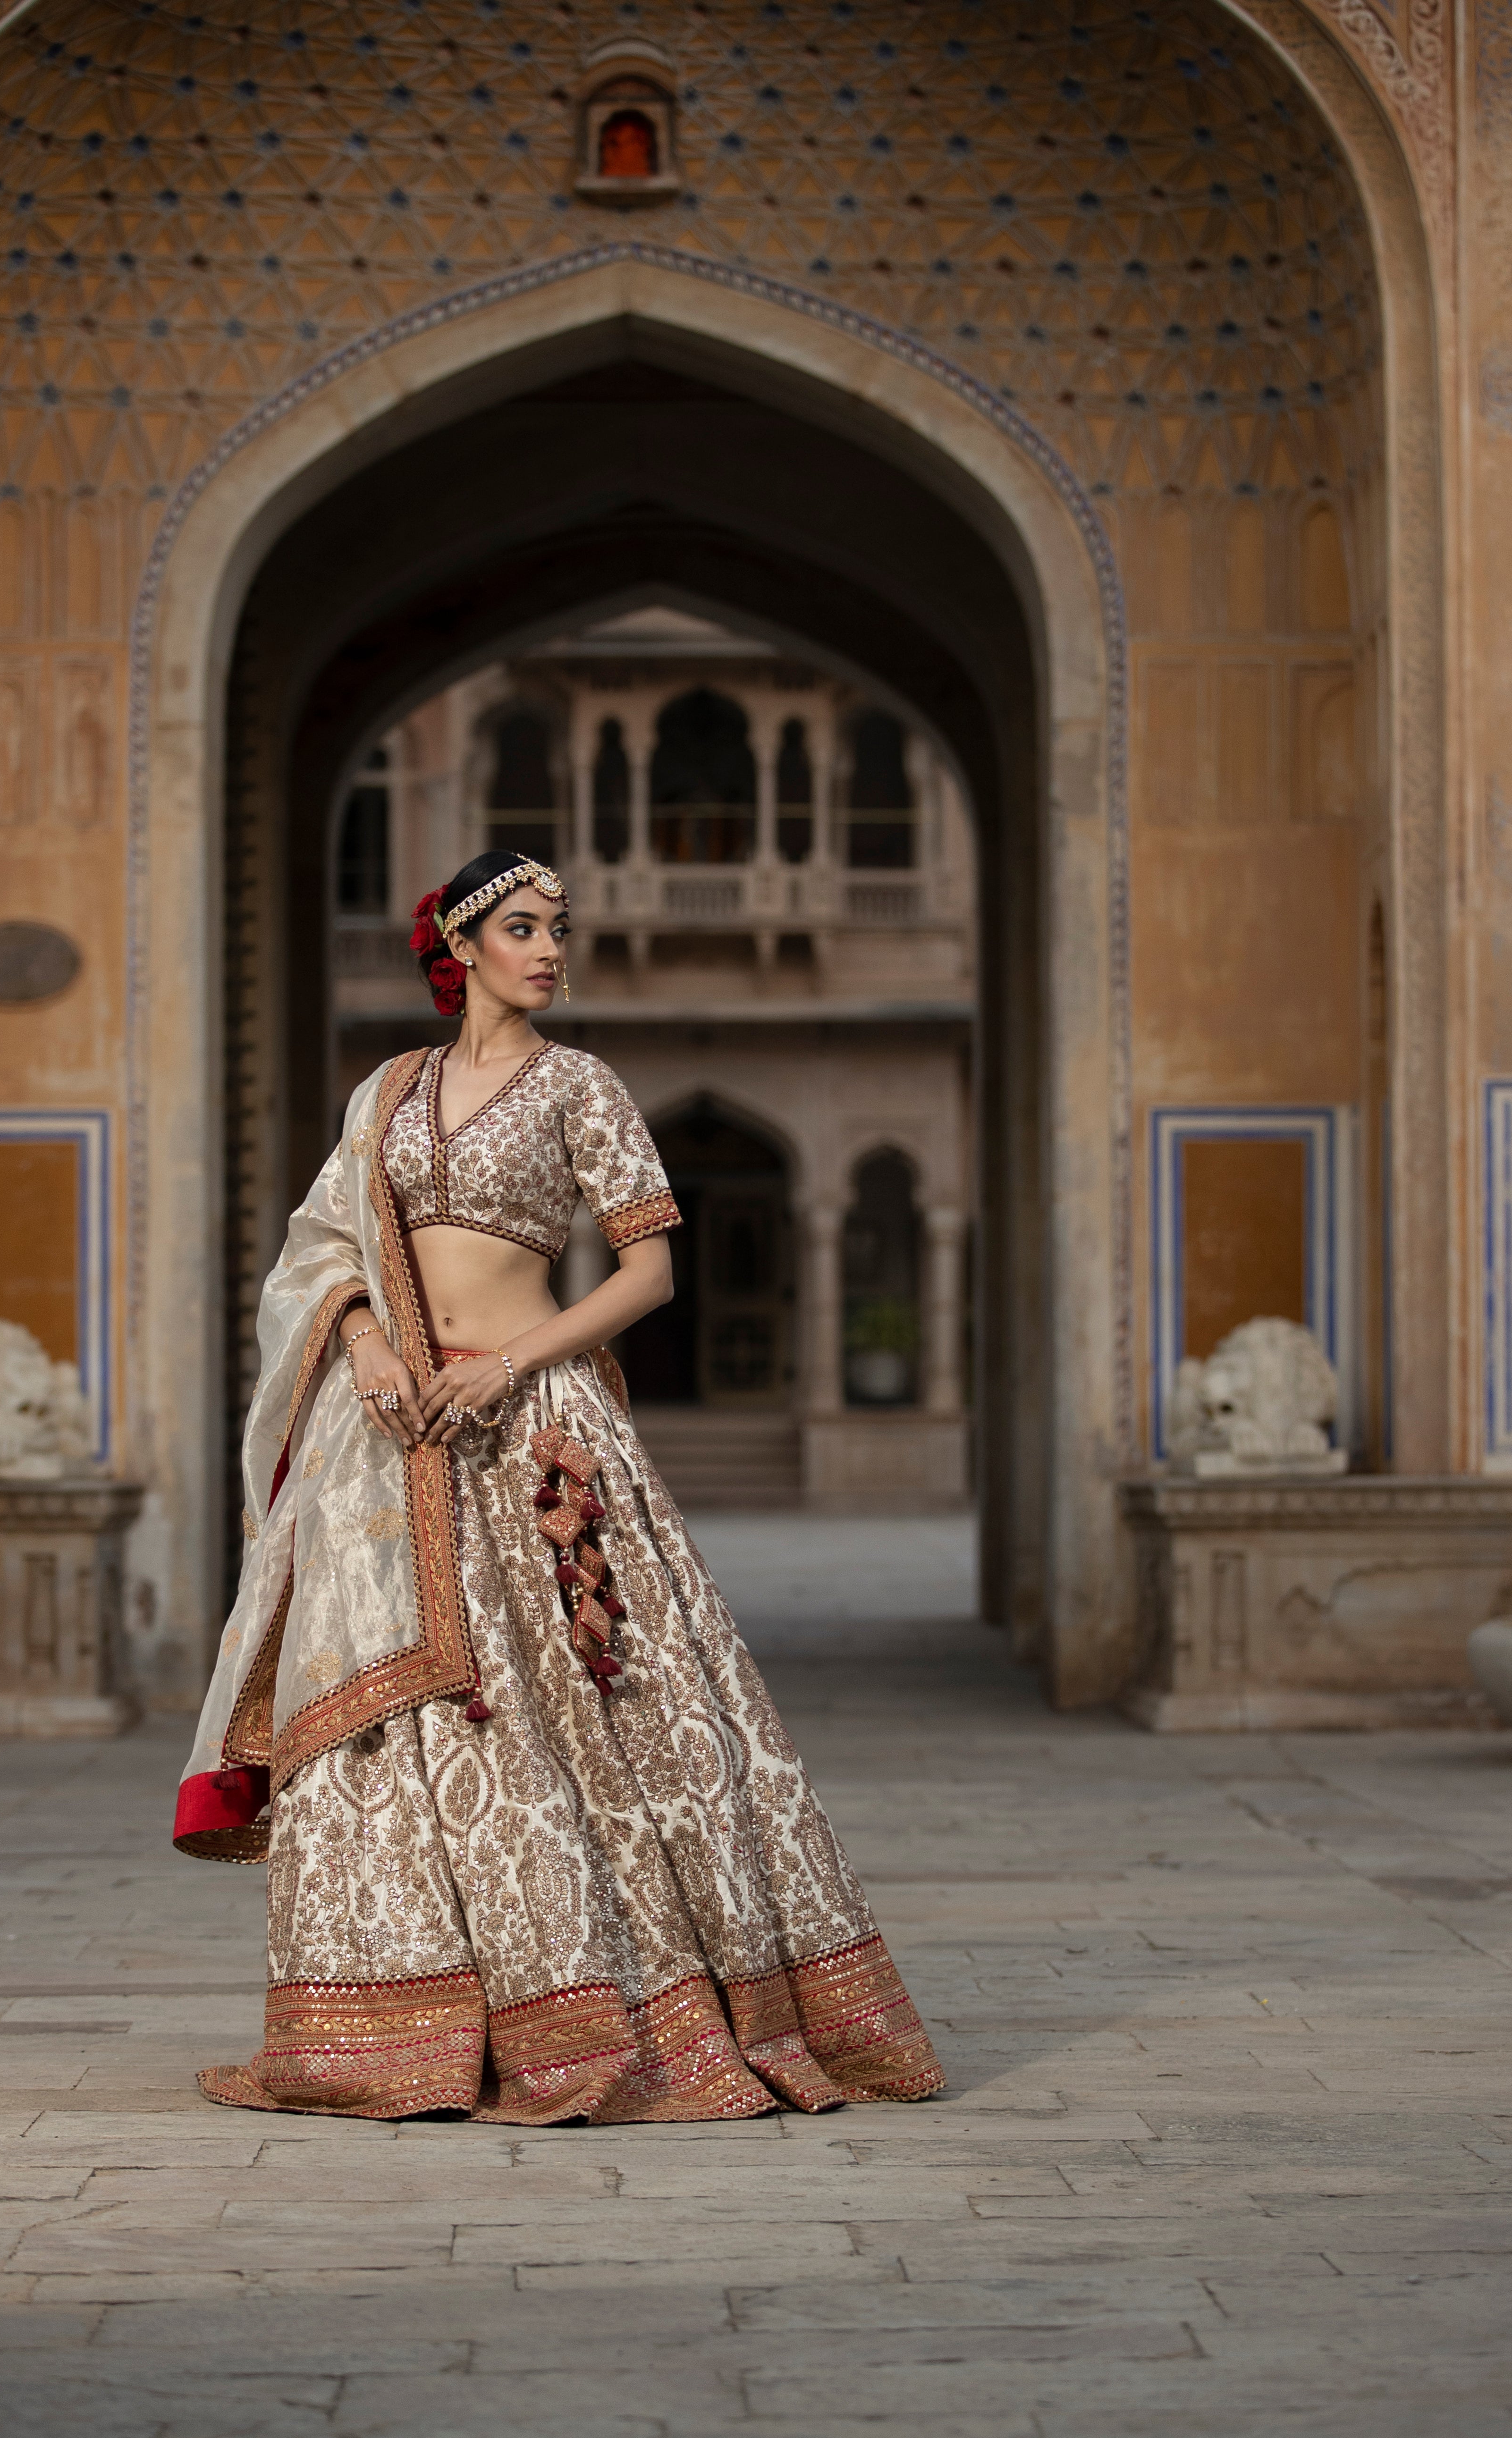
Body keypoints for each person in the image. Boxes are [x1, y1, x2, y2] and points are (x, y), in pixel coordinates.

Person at [174, 849, 943, 2124]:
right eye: (524, 928)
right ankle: (404, 2033)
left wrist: (510, 1365)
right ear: (461, 944)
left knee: (587, 1718)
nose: (549, 950)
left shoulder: (582, 1085)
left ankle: (601, 2009)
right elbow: (322, 1246)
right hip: (394, 1437)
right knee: (402, 1733)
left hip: (535, 1429)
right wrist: (366, 1344)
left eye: (558, 929)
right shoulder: (388, 1092)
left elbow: (649, 1275)